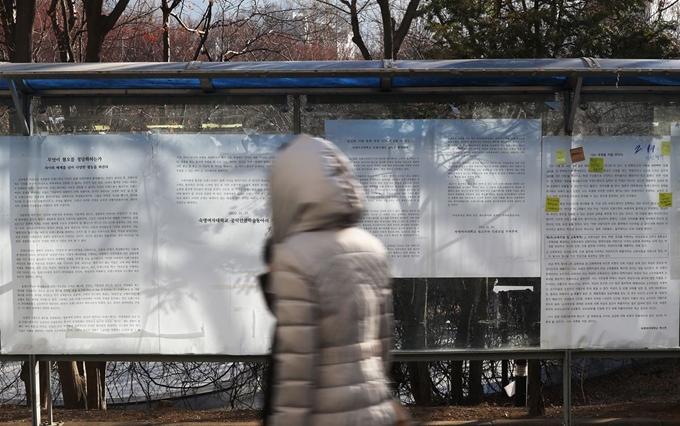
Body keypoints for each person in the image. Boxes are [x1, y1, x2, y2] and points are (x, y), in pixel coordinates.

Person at [266, 134, 401, 426]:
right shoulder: (373, 247)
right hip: (375, 411)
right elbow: (383, 346)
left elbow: (296, 368)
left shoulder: (294, 256)